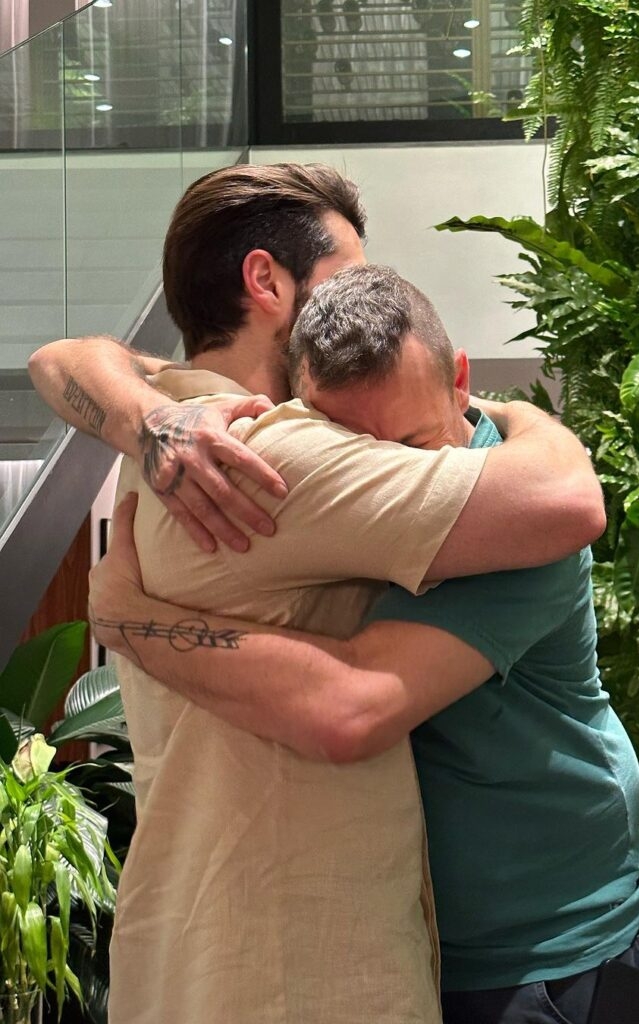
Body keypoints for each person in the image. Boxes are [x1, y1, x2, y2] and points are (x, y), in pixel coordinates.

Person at [29, 164, 606, 1024]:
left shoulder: (168, 429)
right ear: (266, 280)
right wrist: (527, 416)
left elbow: (64, 357)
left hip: (192, 932)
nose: (366, 301)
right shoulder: (281, 456)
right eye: (346, 274)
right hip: (304, 963)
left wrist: (130, 616)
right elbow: (566, 502)